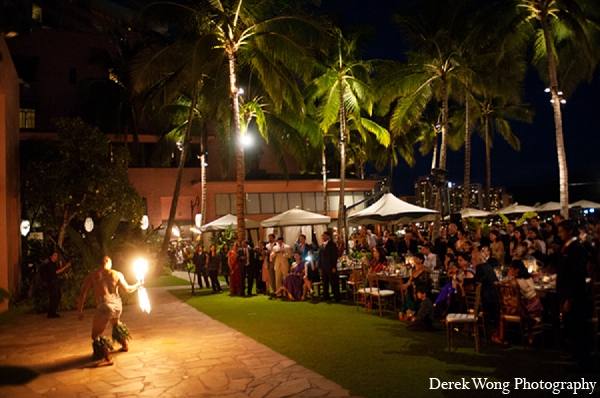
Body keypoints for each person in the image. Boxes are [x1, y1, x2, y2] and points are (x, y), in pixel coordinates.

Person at [77, 256, 142, 366]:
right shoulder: (117, 274)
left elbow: (83, 293)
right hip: (117, 304)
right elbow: (126, 290)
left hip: (104, 305)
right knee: (116, 323)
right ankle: (125, 345)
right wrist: (138, 284)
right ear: (108, 262)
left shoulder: (92, 276)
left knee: (96, 335)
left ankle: (108, 359)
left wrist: (80, 310)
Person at [556, 220, 592, 369]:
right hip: (566, 292)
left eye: (561, 231)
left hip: (575, 294)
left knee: (578, 326)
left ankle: (583, 360)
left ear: (570, 231)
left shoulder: (577, 248)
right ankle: (575, 353)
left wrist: (569, 298)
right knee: (570, 325)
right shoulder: (567, 247)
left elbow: (576, 275)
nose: (559, 234)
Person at [492, 260, 544, 346]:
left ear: (517, 270)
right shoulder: (530, 278)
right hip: (537, 307)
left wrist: (499, 284)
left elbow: (509, 295)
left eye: (511, 268)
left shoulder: (515, 282)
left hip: (527, 309)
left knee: (504, 310)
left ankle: (502, 337)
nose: (510, 270)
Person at [399, 253, 430, 320]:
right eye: (414, 258)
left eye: (416, 258)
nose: (414, 259)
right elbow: (410, 279)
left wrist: (412, 284)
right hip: (413, 286)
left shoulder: (424, 270)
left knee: (409, 292)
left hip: (421, 288)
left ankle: (410, 310)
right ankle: (405, 311)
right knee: (407, 291)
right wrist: (406, 285)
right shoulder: (414, 269)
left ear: (421, 260)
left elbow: (424, 281)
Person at [41, 250, 72, 318]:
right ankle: (51, 313)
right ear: (51, 257)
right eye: (55, 255)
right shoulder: (50, 264)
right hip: (51, 282)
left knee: (57, 296)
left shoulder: (54, 264)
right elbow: (56, 272)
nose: (56, 256)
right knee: (54, 297)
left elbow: (58, 270)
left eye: (56, 255)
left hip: (54, 282)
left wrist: (61, 265)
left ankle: (53, 312)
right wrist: (66, 266)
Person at [318, 231, 340, 302]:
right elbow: (320, 257)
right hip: (324, 267)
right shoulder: (321, 246)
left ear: (328, 236)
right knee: (325, 282)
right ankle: (326, 295)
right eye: (322, 236)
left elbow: (334, 256)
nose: (323, 237)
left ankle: (336, 296)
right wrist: (320, 267)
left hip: (330, 266)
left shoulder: (332, 245)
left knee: (333, 281)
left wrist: (334, 266)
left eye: (324, 236)